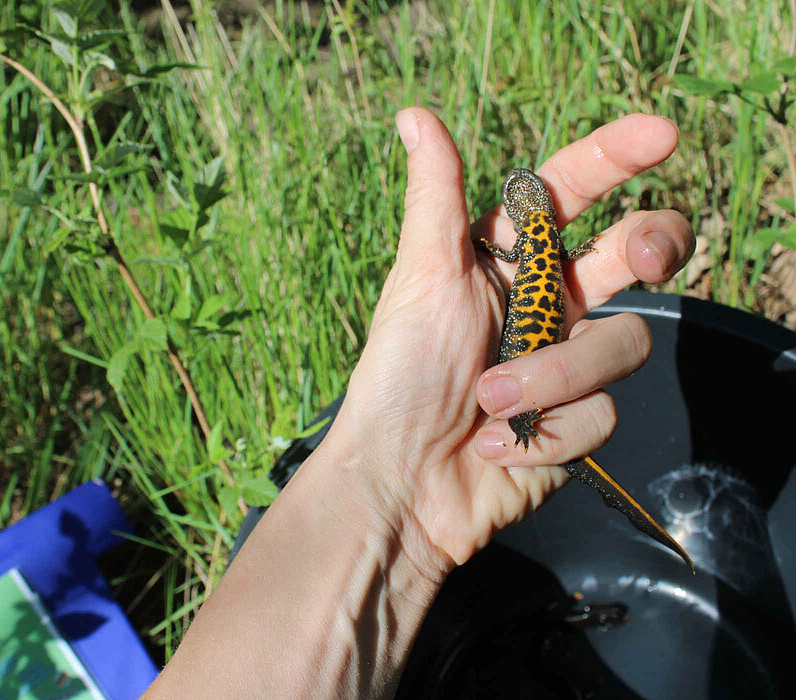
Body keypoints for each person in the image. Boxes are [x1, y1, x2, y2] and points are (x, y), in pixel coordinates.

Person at [143, 108, 695, 697]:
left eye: (516, 197)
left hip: (516, 371)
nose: (511, 197)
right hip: (516, 370)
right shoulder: (548, 247)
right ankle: (537, 427)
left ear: (523, 216)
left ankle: (535, 426)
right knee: (529, 401)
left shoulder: (529, 250)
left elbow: (513, 254)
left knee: (528, 400)